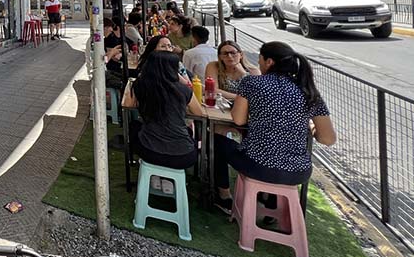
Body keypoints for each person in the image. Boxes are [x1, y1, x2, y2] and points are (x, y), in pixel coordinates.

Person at [211, 42, 336, 214]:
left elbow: (238, 120)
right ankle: (271, 203)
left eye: (260, 58)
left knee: (216, 141)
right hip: (299, 172)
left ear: (269, 61)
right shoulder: (308, 90)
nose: (259, 63)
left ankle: (223, 195)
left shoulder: (252, 83)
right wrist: (311, 128)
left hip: (258, 165)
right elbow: (328, 139)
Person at [122, 51, 205, 170]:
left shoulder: (141, 86)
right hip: (184, 156)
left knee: (134, 125)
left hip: (149, 151)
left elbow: (128, 105)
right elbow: (199, 113)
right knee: (189, 132)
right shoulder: (183, 90)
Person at [103, 17, 135, 87]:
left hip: (106, 71)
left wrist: (112, 52)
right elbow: (104, 61)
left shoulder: (123, 38)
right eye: (110, 27)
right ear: (104, 28)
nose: (111, 29)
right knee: (127, 82)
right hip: (104, 74)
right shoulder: (105, 41)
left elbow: (103, 59)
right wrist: (112, 52)